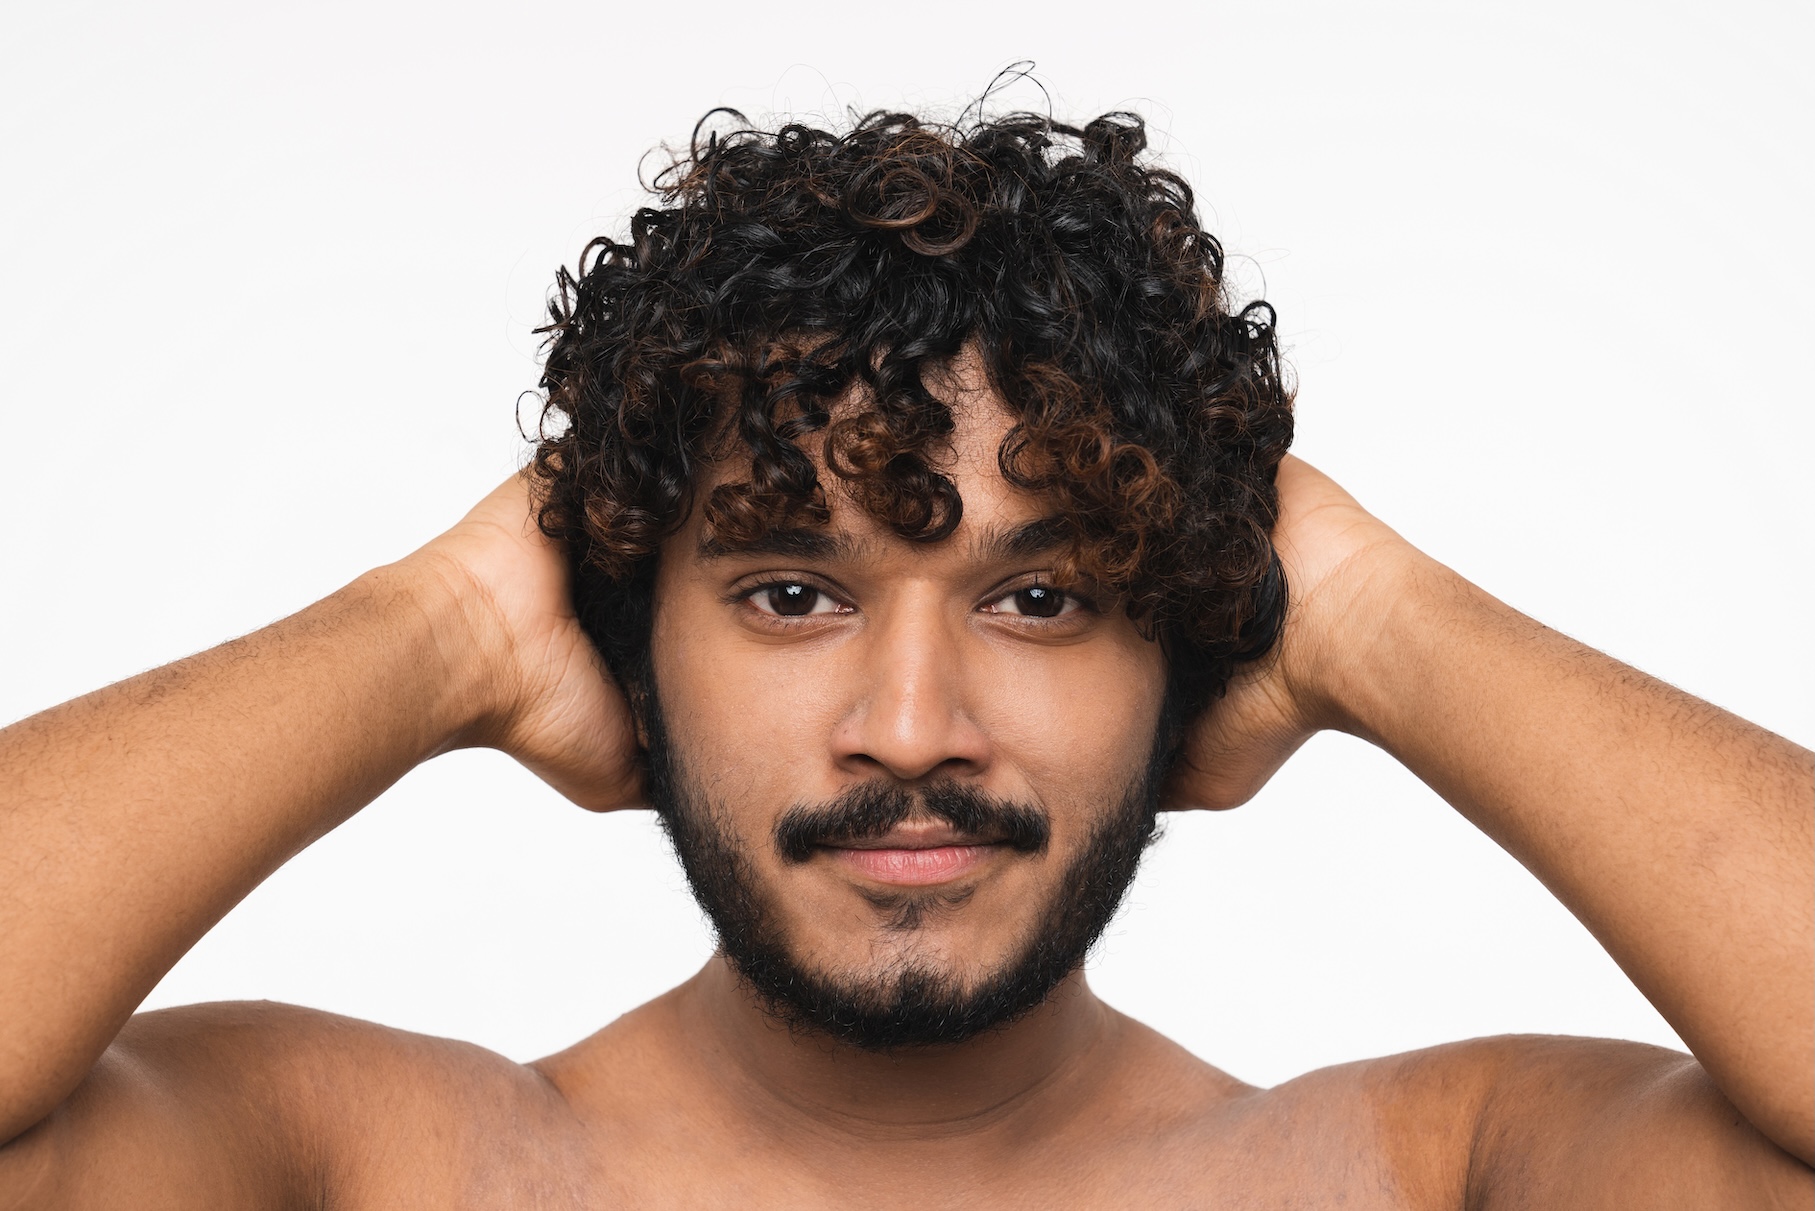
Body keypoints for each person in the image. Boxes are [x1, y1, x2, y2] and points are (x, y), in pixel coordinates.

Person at [0, 107, 1807, 1209]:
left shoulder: (1425, 1173)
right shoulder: (374, 1166)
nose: (912, 729)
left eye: (1042, 598)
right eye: (792, 592)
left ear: (1181, 640)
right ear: (630, 639)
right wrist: (443, 625)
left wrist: (1369, 616)